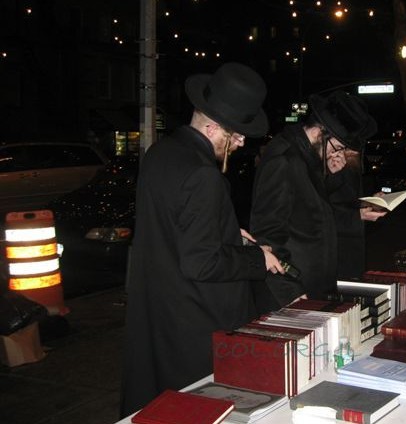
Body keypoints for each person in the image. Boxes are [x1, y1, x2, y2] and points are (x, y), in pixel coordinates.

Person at [120, 62, 284, 416]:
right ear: (211, 127)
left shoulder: (161, 153)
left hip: (159, 310)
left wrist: (227, 231)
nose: (240, 143)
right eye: (235, 135)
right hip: (194, 320)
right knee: (197, 411)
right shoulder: (203, 174)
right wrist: (257, 259)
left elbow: (171, 223)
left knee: (162, 409)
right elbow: (202, 262)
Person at [250, 90, 378, 313]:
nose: (338, 153)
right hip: (293, 294)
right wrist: (290, 291)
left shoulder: (307, 156)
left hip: (315, 287)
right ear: (320, 133)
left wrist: (331, 176)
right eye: (338, 147)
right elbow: (267, 236)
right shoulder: (283, 160)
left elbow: (310, 210)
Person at [327, 135, 387, 280]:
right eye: (348, 148)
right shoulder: (329, 168)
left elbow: (351, 201)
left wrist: (370, 202)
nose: (354, 153)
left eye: (357, 149)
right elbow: (322, 211)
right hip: (334, 245)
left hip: (354, 242)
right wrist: (358, 215)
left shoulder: (352, 167)